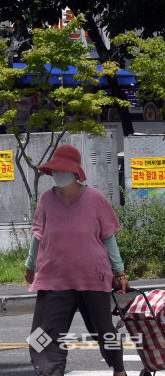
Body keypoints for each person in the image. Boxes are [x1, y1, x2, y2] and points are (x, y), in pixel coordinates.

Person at [24, 144, 129, 376]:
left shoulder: (95, 199)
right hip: (54, 279)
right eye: (56, 171)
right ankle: (50, 372)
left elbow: (109, 238)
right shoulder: (46, 200)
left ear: (75, 173)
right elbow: (38, 236)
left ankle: (119, 369)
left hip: (92, 277)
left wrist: (119, 272)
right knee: (41, 337)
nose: (59, 175)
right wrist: (30, 266)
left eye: (64, 171)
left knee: (104, 331)